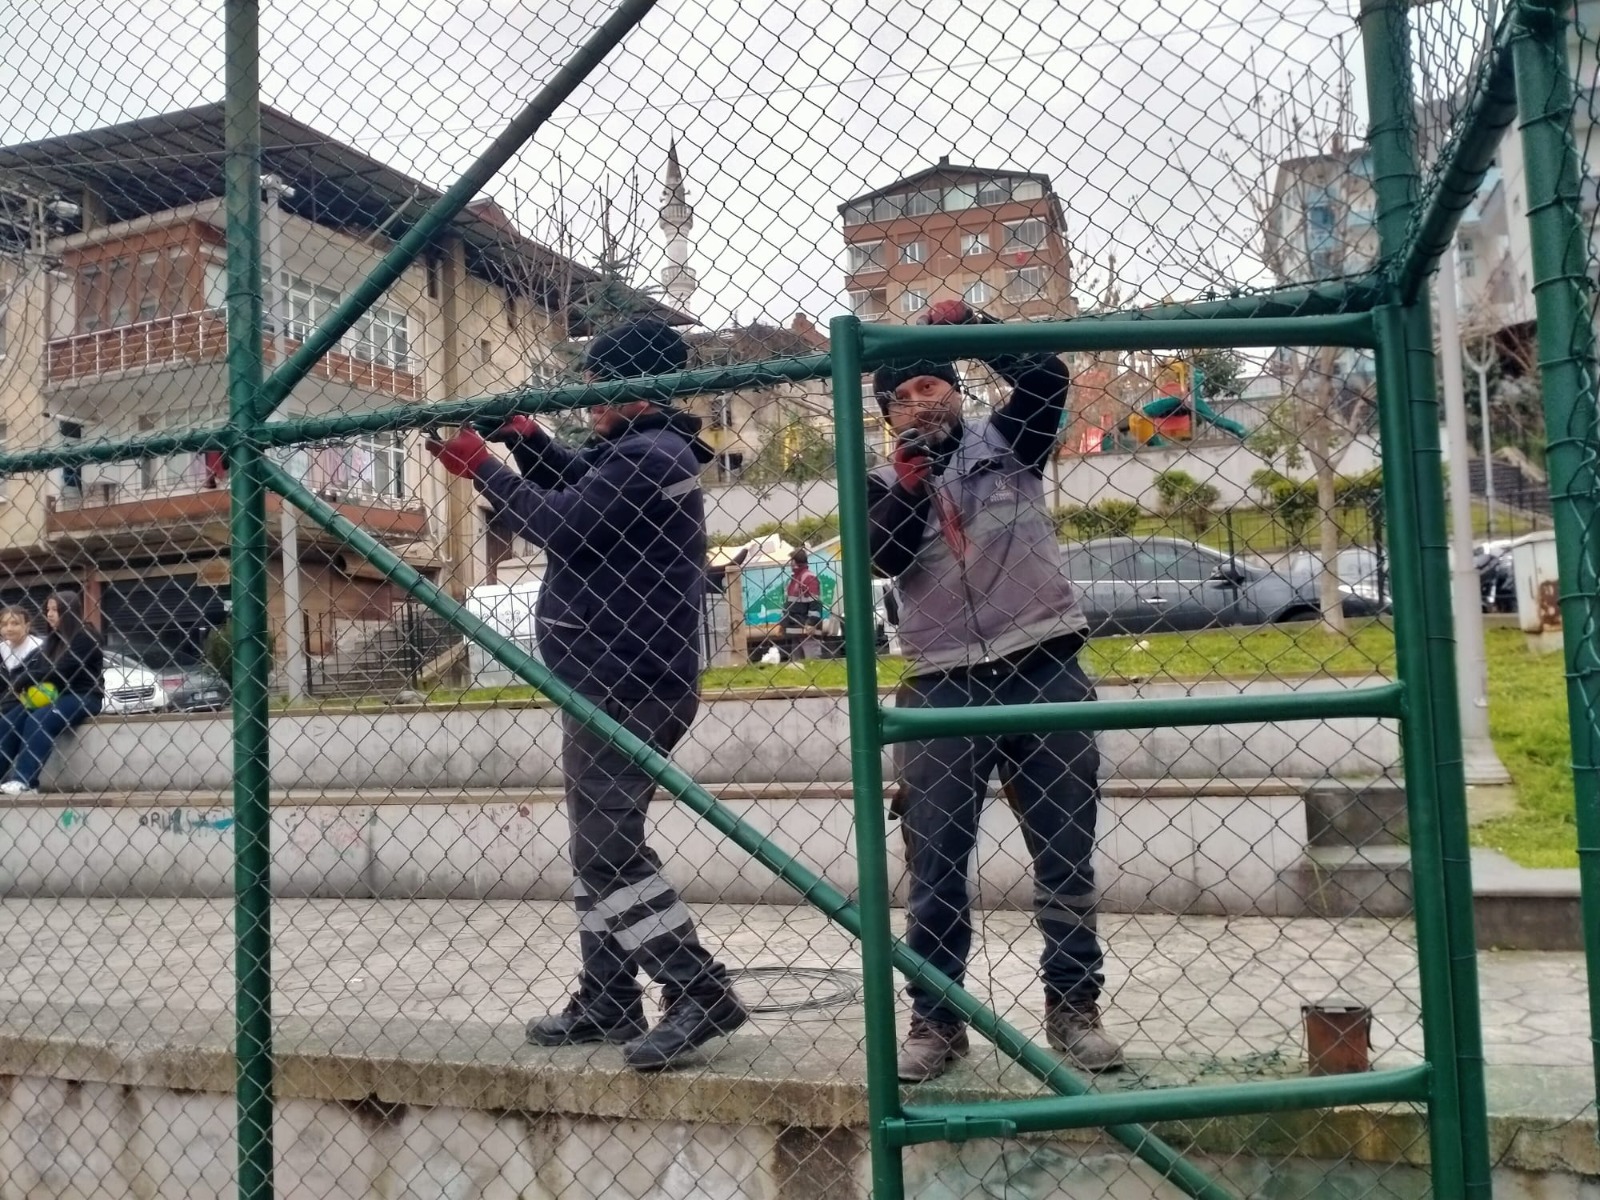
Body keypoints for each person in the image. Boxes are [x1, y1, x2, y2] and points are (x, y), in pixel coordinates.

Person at [426, 318, 746, 1072]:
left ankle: (698, 988)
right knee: (596, 848)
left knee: (606, 848)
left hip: (630, 682)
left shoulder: (651, 455)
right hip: (609, 679)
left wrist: (485, 468)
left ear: (641, 389)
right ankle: (608, 996)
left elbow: (567, 524)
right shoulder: (640, 451)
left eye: (603, 386)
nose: (591, 400)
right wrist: (525, 441)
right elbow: (581, 489)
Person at [867, 298, 1123, 1082]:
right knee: (936, 869)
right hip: (941, 682)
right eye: (903, 394)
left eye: (932, 385)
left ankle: (1074, 1007)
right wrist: (910, 484)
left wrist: (975, 328)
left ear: (956, 390)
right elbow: (882, 556)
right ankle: (937, 1020)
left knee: (1065, 856)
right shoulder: (877, 479)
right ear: (885, 412)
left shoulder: (1010, 441)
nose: (921, 400)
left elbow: (1047, 379)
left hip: (1042, 663)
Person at [0, 592, 104, 797]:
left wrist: (27, 678)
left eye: (55, 610)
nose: (49, 614)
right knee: (8, 722)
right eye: (48, 609)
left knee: (38, 720)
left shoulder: (85, 637)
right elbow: (41, 669)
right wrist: (24, 683)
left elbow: (62, 670)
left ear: (69, 610)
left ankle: (25, 782)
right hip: (54, 696)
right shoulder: (53, 640)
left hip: (83, 696)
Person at [782, 547, 824, 660]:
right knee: (798, 663)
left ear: (794, 562)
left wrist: (811, 623)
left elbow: (815, 602)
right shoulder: (795, 579)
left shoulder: (808, 578)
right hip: (796, 628)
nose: (790, 564)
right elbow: (789, 604)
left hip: (807, 630)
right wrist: (783, 624)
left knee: (812, 662)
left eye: (791, 561)